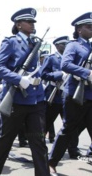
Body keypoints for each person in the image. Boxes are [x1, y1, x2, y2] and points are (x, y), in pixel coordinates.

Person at [0, 8, 50, 176]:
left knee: (38, 142)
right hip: (15, 100)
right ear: (19, 25)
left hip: (34, 100)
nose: (32, 24)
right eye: (29, 22)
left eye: (33, 22)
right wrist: (18, 79)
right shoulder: (11, 42)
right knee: (5, 140)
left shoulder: (35, 43)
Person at [48, 12, 92, 176]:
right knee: (67, 129)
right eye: (89, 26)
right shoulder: (73, 45)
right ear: (79, 29)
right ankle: (51, 163)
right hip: (75, 94)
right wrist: (87, 73)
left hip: (90, 95)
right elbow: (65, 64)